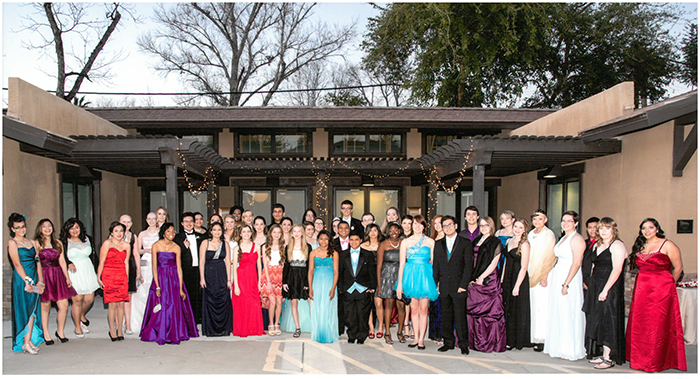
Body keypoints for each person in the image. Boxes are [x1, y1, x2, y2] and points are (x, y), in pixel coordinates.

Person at [626, 218, 686, 372]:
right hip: (642, 290)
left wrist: (668, 284)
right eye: (644, 228)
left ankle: (656, 361)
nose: (647, 231)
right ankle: (640, 359)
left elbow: (678, 268)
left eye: (650, 227)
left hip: (661, 289)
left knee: (657, 325)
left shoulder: (668, 245)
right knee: (642, 324)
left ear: (657, 229)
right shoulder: (641, 245)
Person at [140, 223, 198, 344]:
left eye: (173, 232)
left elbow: (179, 268)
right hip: (160, 277)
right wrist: (157, 285)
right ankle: (159, 331)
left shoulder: (176, 247)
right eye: (168, 231)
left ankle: (173, 331)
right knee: (160, 304)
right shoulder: (156, 245)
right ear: (163, 232)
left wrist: (181, 287)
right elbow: (154, 267)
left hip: (173, 278)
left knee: (173, 304)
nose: (171, 234)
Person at [583, 217, 628, 369]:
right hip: (596, 285)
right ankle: (603, 355)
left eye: (606, 228)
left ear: (613, 229)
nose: (603, 231)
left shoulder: (617, 245)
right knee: (598, 319)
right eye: (601, 228)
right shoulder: (598, 244)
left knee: (609, 320)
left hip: (609, 286)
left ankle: (610, 358)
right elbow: (594, 266)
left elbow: (617, 269)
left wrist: (605, 290)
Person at [543, 211, 586, 360]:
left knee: (569, 312)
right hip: (558, 274)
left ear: (576, 223)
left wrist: (566, 283)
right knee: (559, 311)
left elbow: (577, 262)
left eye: (569, 221)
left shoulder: (577, 239)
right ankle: (559, 347)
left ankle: (570, 349)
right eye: (563, 220)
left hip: (570, 278)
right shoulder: (563, 239)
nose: (565, 223)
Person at [432, 215, 473, 355]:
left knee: (460, 317)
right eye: (445, 226)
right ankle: (448, 342)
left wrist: (463, 285)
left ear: (456, 226)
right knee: (446, 316)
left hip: (459, 286)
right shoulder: (438, 244)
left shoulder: (465, 243)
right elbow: (436, 266)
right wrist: (435, 284)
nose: (448, 228)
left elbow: (468, 267)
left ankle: (463, 344)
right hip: (443, 286)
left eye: (450, 225)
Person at [396, 215, 438, 350]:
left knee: (424, 309)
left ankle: (421, 339)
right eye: (414, 223)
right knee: (414, 309)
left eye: (420, 224)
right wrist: (400, 285)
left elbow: (433, 263)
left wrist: (436, 282)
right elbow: (402, 264)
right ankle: (415, 338)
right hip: (410, 275)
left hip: (425, 275)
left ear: (424, 226)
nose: (417, 226)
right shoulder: (405, 242)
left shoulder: (431, 242)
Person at [467, 216, 506, 353]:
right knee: (473, 311)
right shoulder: (477, 240)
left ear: (491, 226)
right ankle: (475, 342)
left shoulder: (496, 242)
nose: (483, 228)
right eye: (481, 225)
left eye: (486, 225)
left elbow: (494, 263)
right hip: (476, 278)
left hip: (488, 280)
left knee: (489, 313)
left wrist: (482, 277)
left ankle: (488, 343)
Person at [36, 218, 77, 345]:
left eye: (49, 225)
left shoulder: (58, 243)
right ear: (40, 229)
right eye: (44, 226)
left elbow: (62, 261)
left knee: (63, 305)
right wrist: (39, 280)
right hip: (44, 275)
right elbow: (36, 262)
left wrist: (67, 277)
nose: (47, 228)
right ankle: (46, 333)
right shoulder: (37, 243)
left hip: (58, 275)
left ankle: (60, 331)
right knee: (45, 305)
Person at [8, 213, 44, 354]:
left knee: (33, 309)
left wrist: (40, 281)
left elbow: (38, 261)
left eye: (23, 227)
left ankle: (28, 341)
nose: (21, 230)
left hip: (34, 277)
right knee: (25, 308)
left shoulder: (32, 242)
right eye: (18, 228)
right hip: (22, 279)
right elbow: (16, 263)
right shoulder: (13, 243)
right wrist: (27, 281)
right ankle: (25, 342)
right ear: (12, 229)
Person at [60, 218, 99, 338]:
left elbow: (94, 256)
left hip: (88, 270)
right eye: (71, 228)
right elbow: (60, 257)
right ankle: (78, 326)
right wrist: (68, 263)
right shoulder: (64, 241)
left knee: (89, 299)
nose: (74, 230)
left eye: (76, 227)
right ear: (67, 230)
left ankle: (81, 315)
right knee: (77, 300)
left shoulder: (88, 239)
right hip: (74, 272)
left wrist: (98, 272)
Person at [527, 209, 557, 352]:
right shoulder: (531, 234)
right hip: (531, 272)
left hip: (543, 274)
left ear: (545, 220)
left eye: (540, 219)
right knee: (533, 306)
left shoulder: (548, 234)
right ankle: (533, 336)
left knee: (542, 307)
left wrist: (544, 275)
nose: (537, 221)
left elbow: (550, 257)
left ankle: (542, 338)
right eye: (535, 219)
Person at [339, 233, 377, 344]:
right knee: (349, 314)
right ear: (348, 241)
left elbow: (372, 271)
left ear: (360, 240)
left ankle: (362, 335)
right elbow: (341, 272)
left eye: (356, 239)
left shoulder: (367, 254)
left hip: (363, 288)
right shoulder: (343, 255)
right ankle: (351, 334)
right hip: (348, 288)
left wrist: (372, 287)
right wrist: (341, 288)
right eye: (351, 239)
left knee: (362, 313)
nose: (354, 242)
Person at [97, 221, 131, 342]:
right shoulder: (107, 243)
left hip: (121, 275)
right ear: (111, 232)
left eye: (121, 231)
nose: (119, 233)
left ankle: (120, 329)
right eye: (116, 231)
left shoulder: (127, 245)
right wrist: (99, 277)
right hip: (109, 275)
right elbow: (101, 261)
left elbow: (126, 263)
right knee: (112, 304)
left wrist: (126, 278)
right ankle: (112, 329)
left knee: (121, 304)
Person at [199, 222, 232, 337]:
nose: (217, 232)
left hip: (221, 274)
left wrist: (229, 279)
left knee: (223, 300)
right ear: (211, 231)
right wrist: (202, 278)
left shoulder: (225, 244)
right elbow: (201, 261)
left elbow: (228, 262)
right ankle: (211, 329)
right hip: (209, 274)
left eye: (219, 230)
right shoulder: (205, 243)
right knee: (210, 300)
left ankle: (223, 328)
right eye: (214, 230)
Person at [231, 224, 265, 337]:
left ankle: (254, 328)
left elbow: (259, 265)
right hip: (241, 279)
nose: (246, 234)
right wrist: (236, 285)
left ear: (251, 233)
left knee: (254, 304)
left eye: (248, 231)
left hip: (253, 278)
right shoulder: (237, 248)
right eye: (244, 232)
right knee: (242, 305)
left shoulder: (257, 246)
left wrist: (260, 281)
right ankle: (243, 328)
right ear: (240, 234)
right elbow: (235, 267)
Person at [377, 222, 406, 344]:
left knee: (401, 305)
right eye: (391, 230)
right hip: (387, 277)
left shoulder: (404, 243)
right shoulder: (383, 244)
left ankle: (400, 332)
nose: (394, 233)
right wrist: (379, 285)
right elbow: (378, 266)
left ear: (400, 231)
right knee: (389, 305)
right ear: (387, 232)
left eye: (396, 230)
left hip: (401, 276)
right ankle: (387, 332)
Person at [308, 230, 340, 343]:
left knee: (328, 307)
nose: (323, 241)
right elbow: (310, 271)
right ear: (318, 240)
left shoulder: (334, 253)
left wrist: (333, 287)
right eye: (321, 239)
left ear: (329, 240)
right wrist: (310, 287)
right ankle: (318, 332)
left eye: (326, 239)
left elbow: (336, 272)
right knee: (317, 307)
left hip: (329, 282)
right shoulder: (313, 253)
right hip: (316, 282)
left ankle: (329, 333)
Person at [281, 224, 312, 337]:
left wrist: (308, 282)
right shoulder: (288, 247)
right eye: (295, 231)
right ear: (292, 233)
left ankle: (316, 325)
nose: (297, 233)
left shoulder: (308, 247)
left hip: (303, 276)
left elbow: (309, 266)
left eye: (299, 231)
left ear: (302, 233)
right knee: (294, 302)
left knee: (310, 301)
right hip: (292, 277)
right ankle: (297, 328)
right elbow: (286, 266)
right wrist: (284, 282)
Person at [174, 212, 204, 325]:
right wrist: (184, 246)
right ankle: (186, 321)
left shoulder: (201, 236)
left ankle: (197, 319)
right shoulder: (177, 238)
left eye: (191, 221)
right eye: (186, 221)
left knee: (198, 295)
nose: (189, 223)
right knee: (186, 295)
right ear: (182, 223)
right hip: (185, 270)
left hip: (198, 270)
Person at [131, 212, 159, 335]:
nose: (152, 221)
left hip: (157, 260)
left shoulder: (160, 231)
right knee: (142, 290)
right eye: (149, 219)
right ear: (146, 220)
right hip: (146, 260)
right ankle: (140, 319)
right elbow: (137, 250)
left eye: (154, 219)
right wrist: (146, 250)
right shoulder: (142, 234)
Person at [261, 225, 285, 336]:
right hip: (268, 275)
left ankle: (276, 324)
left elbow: (284, 264)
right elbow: (265, 265)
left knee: (279, 301)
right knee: (272, 301)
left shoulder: (283, 246)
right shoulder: (265, 246)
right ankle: (270, 323)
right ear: (270, 233)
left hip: (279, 275)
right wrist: (269, 281)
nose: (276, 234)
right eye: (274, 232)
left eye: (279, 232)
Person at [362, 223, 384, 340]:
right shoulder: (363, 246)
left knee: (379, 303)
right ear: (367, 232)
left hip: (380, 277)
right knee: (368, 304)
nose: (373, 233)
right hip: (367, 278)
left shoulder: (383, 245)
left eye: (375, 230)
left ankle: (380, 327)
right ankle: (371, 327)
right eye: (371, 230)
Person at [119, 214, 139, 335]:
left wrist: (139, 271)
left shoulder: (133, 236)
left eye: (128, 222)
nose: (126, 224)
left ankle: (128, 324)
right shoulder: (114, 235)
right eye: (124, 221)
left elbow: (136, 254)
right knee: (117, 298)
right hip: (117, 267)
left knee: (128, 298)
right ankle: (117, 323)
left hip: (130, 267)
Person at [429, 214, 444, 345]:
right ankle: (436, 334)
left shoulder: (450, 239)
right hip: (432, 274)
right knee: (435, 305)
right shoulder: (431, 240)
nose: (438, 225)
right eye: (435, 223)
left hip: (445, 276)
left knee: (444, 306)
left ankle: (444, 335)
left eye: (440, 222)